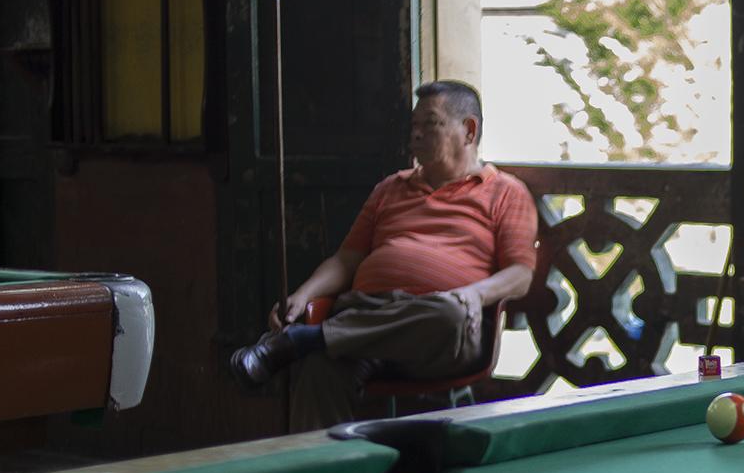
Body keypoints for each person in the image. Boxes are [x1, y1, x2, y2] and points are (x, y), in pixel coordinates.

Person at [228, 80, 539, 429]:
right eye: (414, 125)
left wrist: (473, 294)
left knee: (448, 312)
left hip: (438, 331)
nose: (416, 134)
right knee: (319, 369)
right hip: (366, 313)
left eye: (429, 123)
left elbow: (520, 274)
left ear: (469, 130)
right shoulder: (390, 188)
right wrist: (303, 296)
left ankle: (302, 340)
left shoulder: (506, 193)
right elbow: (348, 259)